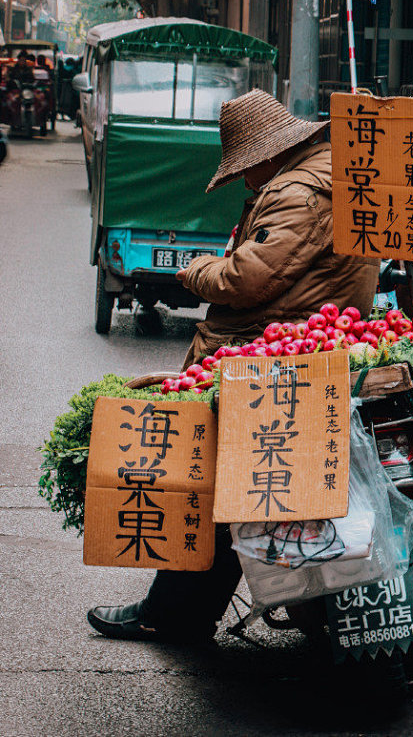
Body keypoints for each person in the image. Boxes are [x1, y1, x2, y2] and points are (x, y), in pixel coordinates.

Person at [86, 89, 380, 642]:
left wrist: (198, 270)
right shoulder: (320, 175)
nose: (245, 180)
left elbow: (247, 279)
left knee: (212, 483)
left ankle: (172, 613)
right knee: (229, 493)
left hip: (269, 357)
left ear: (269, 153)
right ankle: (179, 610)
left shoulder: (299, 189)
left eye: (246, 168)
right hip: (296, 346)